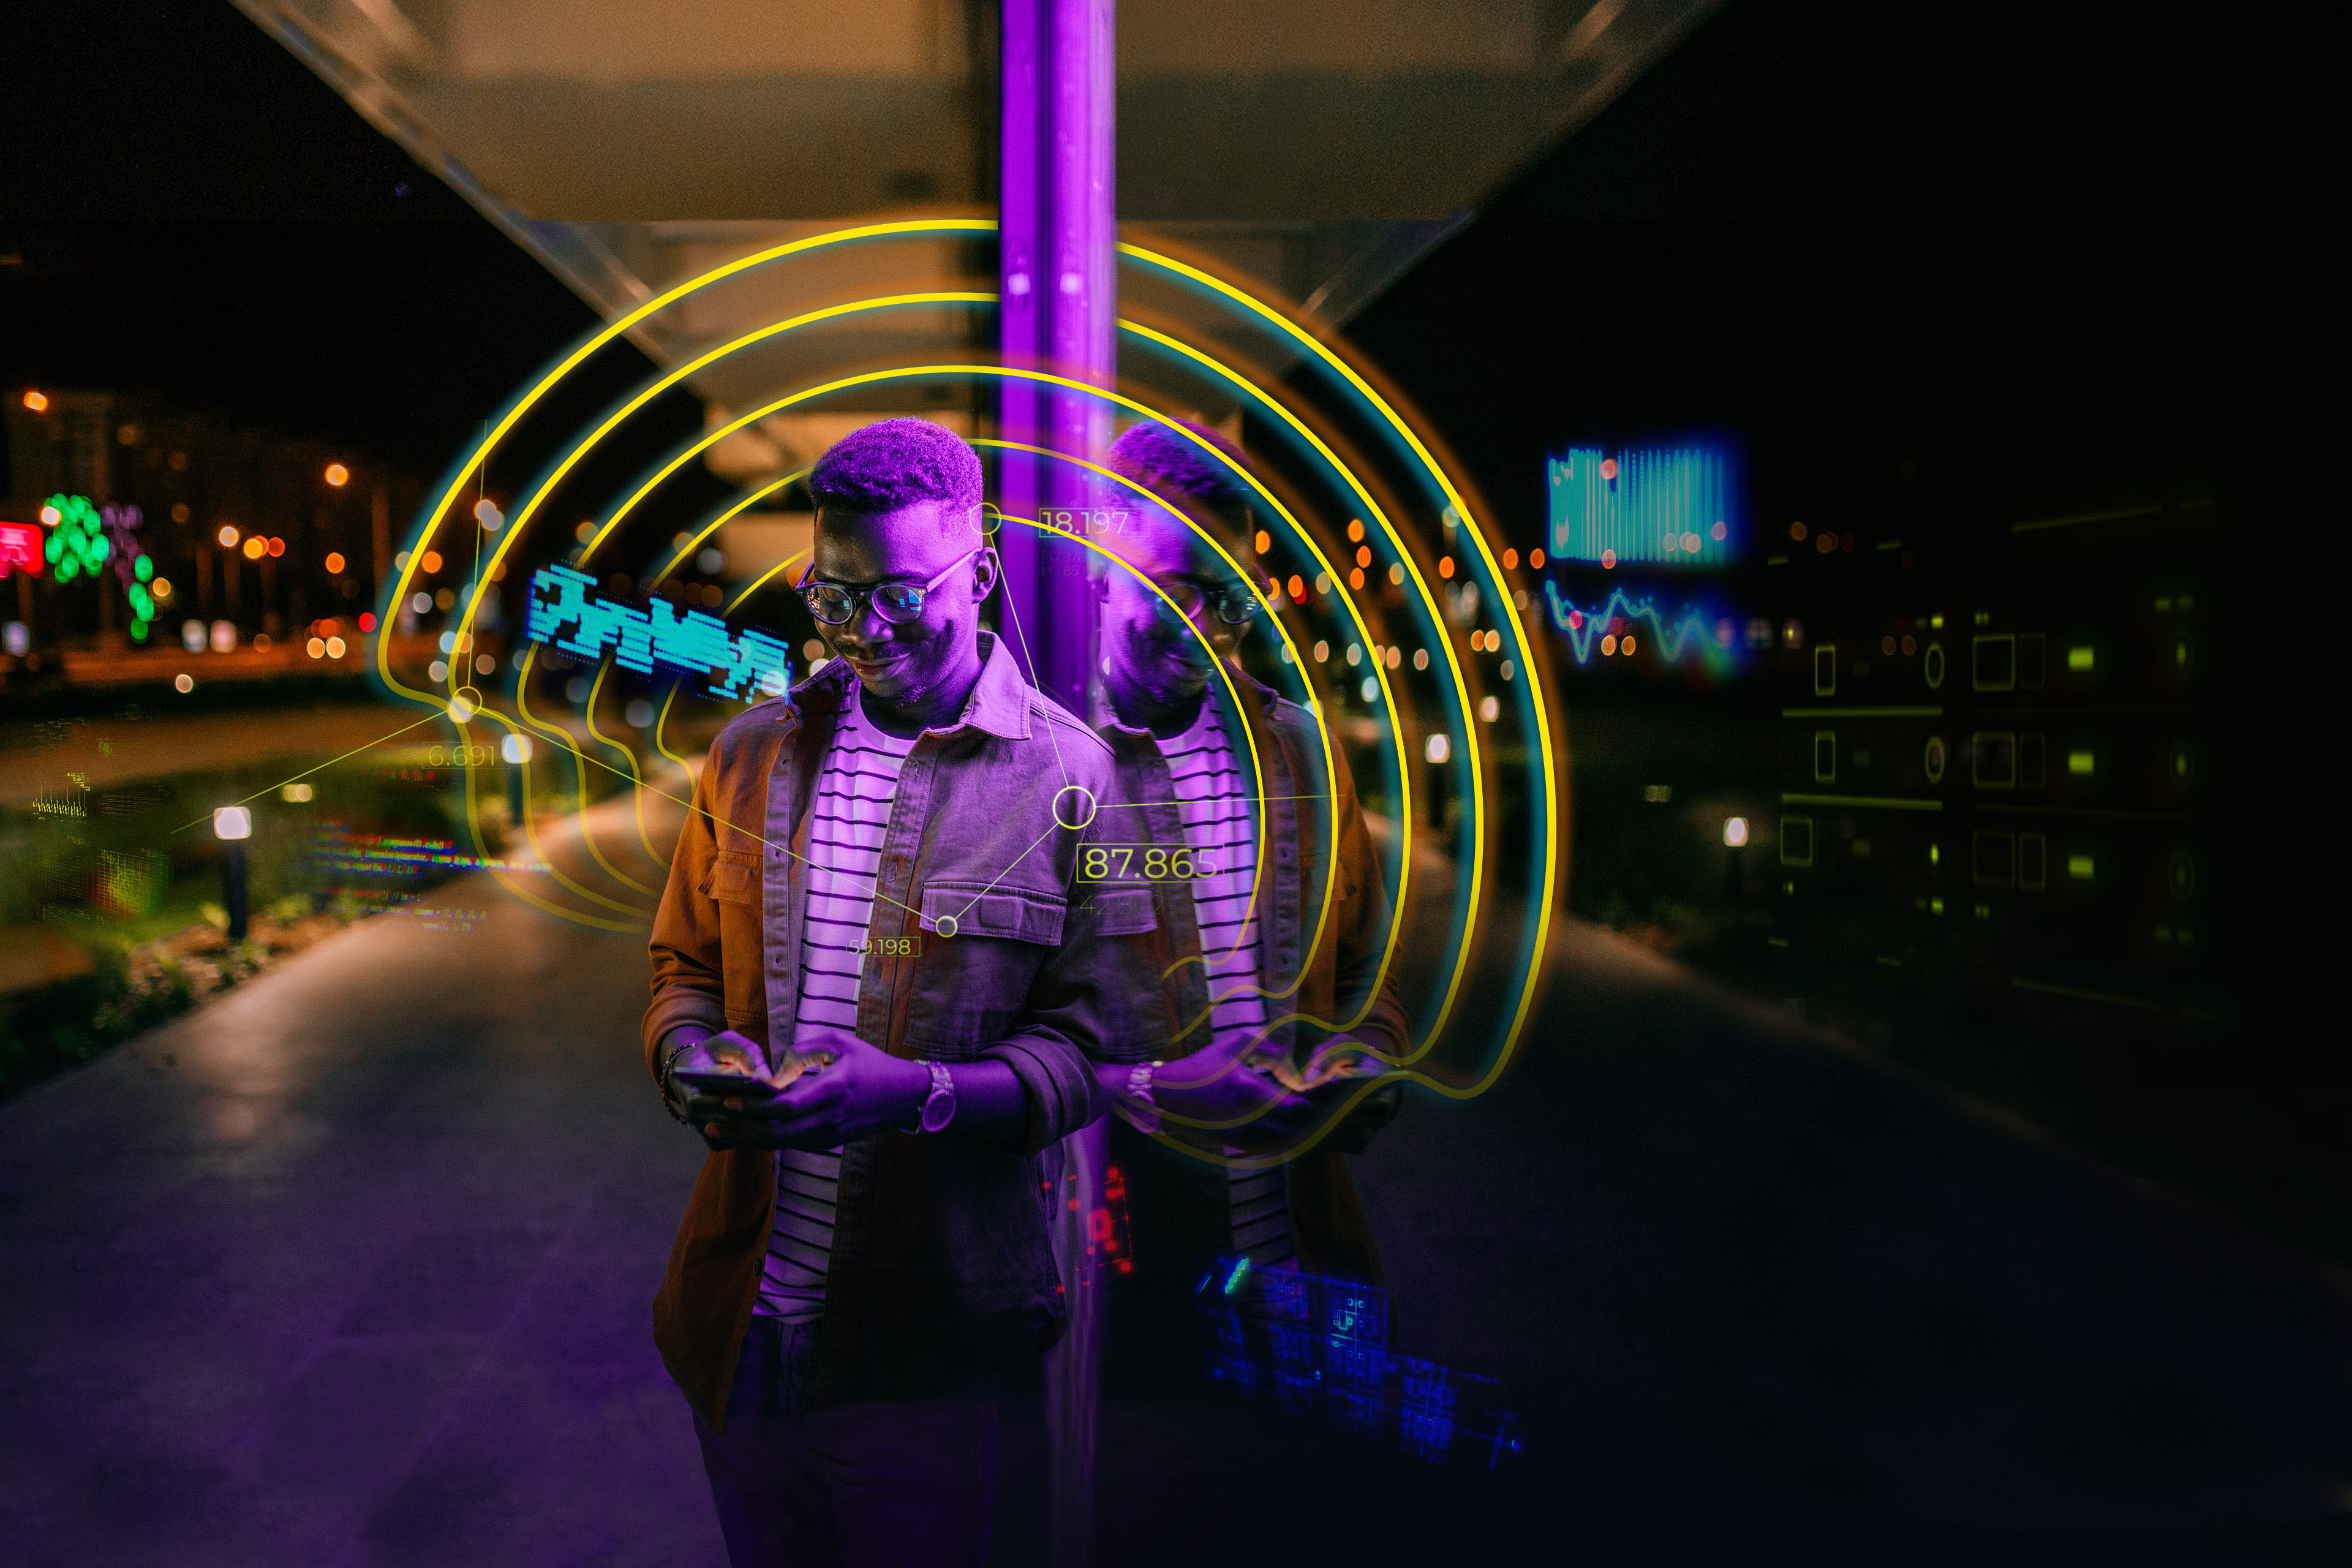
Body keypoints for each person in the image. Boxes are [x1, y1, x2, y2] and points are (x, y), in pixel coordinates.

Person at [643, 417, 1123, 1567]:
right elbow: (683, 966)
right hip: (739, 1336)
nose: (864, 631)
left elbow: (1096, 1049)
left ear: (984, 574)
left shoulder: (1075, 779)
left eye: (901, 595)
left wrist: (915, 1094)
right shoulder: (750, 753)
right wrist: (687, 1056)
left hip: (927, 1356)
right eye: (833, 595)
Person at [1082, 417, 1410, 1565]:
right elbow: (958, 1049)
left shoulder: (1303, 760)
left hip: (1312, 1302)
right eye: (1175, 591)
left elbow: (1368, 981)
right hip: (1127, 1324)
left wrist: (1365, 1062)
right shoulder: (1034, 765)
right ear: (1097, 562)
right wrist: (1163, 1091)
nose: (1206, 628)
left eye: (1228, 595)